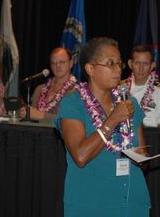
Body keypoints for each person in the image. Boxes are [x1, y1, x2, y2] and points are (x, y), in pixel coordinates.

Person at [55, 37, 151, 216]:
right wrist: (113, 120)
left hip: (131, 201)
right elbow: (81, 156)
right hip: (92, 203)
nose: (117, 69)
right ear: (90, 68)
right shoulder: (72, 104)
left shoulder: (130, 103)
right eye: (110, 63)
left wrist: (141, 156)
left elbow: (142, 155)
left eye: (119, 63)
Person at [125, 44, 160, 127]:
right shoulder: (120, 88)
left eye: (145, 63)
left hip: (151, 136)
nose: (141, 68)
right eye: (137, 63)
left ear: (152, 65)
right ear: (130, 64)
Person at [28, 47, 76, 119]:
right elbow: (32, 114)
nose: (58, 66)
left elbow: (70, 120)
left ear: (71, 63)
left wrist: (41, 115)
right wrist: (26, 112)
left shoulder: (76, 91)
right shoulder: (39, 89)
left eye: (62, 62)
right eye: (54, 63)